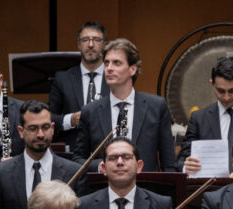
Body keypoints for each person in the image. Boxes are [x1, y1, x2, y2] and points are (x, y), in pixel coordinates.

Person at [73, 38, 176, 173]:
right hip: (104, 188)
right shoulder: (90, 111)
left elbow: (169, 164)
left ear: (132, 69)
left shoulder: (157, 106)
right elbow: (78, 159)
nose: (109, 68)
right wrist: (100, 166)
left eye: (117, 63)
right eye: (107, 63)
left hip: (146, 188)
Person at [48, 21, 107, 149]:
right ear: (79, 44)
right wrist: (70, 120)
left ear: (104, 45)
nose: (91, 45)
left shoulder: (115, 78)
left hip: (108, 153)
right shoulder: (62, 79)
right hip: (72, 154)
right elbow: (48, 118)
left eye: (96, 40)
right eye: (85, 40)